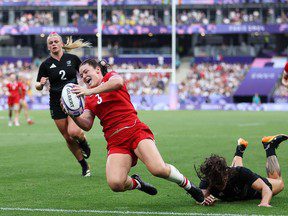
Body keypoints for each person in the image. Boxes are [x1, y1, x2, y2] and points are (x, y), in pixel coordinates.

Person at [68, 59, 204, 202]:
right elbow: (87, 124)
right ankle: (138, 183)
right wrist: (73, 114)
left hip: (134, 130)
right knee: (116, 183)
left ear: (97, 70)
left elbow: (118, 83)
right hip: (116, 141)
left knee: (158, 169)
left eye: (86, 72)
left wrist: (89, 91)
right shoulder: (89, 98)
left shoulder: (109, 77)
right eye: (81, 75)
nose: (83, 77)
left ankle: (189, 186)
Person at [35, 32, 92, 177]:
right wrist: (41, 85)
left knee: (75, 132)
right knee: (67, 137)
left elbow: (85, 74)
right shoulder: (45, 64)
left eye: (56, 41)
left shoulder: (72, 59)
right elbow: (38, 85)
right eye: (51, 43)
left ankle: (84, 142)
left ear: (61, 44)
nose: (53, 44)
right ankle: (84, 165)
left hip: (73, 99)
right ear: (48, 47)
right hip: (56, 103)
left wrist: (87, 87)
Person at [197, 134, 287, 207]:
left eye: (221, 182)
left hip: (256, 190)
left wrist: (264, 202)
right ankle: (240, 148)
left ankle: (269, 147)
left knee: (279, 182)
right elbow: (201, 198)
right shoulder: (208, 179)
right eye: (216, 183)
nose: (220, 186)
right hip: (238, 181)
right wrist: (206, 201)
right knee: (237, 172)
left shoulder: (240, 173)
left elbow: (265, 188)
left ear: (225, 174)